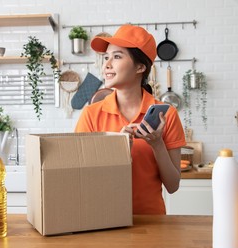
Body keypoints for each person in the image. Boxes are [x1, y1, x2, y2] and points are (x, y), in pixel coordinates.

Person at [74, 24, 186, 214]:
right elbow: (81, 178)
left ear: (140, 67)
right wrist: (117, 150)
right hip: (102, 219)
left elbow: (173, 186)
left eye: (117, 56)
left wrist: (157, 144)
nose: (107, 64)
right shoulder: (91, 114)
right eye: (106, 57)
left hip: (152, 223)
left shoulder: (166, 115)